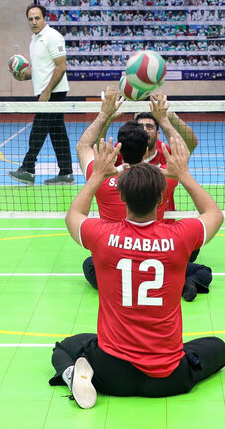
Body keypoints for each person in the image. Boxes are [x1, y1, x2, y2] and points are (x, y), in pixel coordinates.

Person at [47, 138, 225, 408]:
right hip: (168, 377)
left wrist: (97, 176)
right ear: (161, 198)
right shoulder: (180, 235)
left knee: (65, 347)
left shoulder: (102, 235)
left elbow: (73, 215)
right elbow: (214, 214)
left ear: (122, 197)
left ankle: (73, 374)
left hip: (112, 374)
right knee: (217, 347)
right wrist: (184, 175)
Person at [76, 89, 212, 301]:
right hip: (160, 243)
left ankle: (123, 283)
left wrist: (105, 114)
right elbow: (184, 151)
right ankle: (174, 282)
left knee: (90, 265)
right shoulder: (162, 178)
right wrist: (164, 118)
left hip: (115, 245)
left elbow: (84, 146)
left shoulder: (102, 175)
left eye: (150, 126)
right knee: (199, 267)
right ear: (159, 199)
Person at [10, 3, 75, 185]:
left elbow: (61, 67)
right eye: (30, 19)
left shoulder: (52, 36)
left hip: (54, 92)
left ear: (45, 19)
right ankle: (66, 173)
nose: (34, 22)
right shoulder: (34, 40)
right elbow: (40, 69)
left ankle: (28, 169)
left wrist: (47, 92)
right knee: (57, 133)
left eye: (37, 18)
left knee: (38, 130)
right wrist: (23, 76)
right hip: (44, 92)